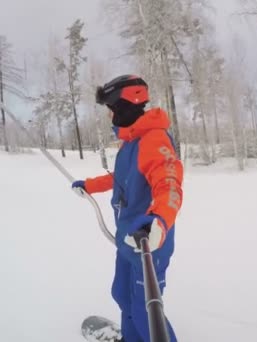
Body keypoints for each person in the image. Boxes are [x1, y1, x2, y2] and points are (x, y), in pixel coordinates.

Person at [72, 75, 183, 342]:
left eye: (111, 110)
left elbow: (169, 186)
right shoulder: (132, 142)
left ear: (124, 106)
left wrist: (158, 222)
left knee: (145, 311)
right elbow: (120, 178)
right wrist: (90, 185)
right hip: (128, 239)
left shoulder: (153, 140)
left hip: (149, 242)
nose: (110, 116)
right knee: (122, 294)